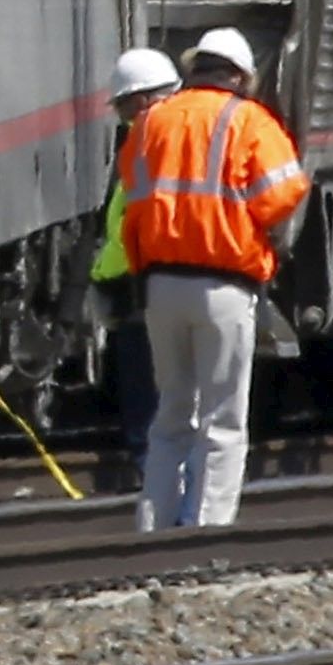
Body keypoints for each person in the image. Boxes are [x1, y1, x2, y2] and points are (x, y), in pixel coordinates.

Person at [118, 27, 307, 531]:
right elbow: (286, 190)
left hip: (160, 286)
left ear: (195, 69)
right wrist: (243, 216)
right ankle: (205, 532)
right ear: (241, 76)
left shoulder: (151, 122)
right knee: (222, 420)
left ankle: (153, 524)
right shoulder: (248, 120)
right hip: (224, 285)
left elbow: (132, 193)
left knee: (171, 417)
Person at [91, 47, 183, 454]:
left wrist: (104, 278)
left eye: (126, 109)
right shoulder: (179, 132)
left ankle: (157, 480)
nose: (123, 119)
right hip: (162, 277)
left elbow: (138, 220)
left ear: (145, 99)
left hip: (144, 284)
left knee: (149, 400)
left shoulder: (149, 141)